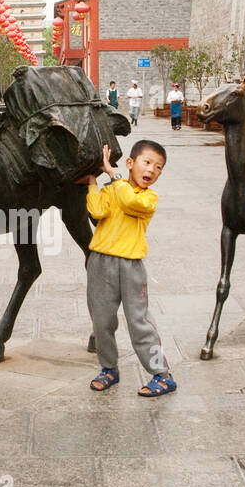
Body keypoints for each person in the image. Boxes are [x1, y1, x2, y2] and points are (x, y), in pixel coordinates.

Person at [81, 141, 175, 397]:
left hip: (131, 267)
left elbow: (128, 200)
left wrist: (113, 174)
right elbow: (97, 211)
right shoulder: (116, 188)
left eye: (159, 168)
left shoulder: (148, 198)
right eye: (147, 163)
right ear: (131, 163)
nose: (152, 170)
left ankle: (162, 375)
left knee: (139, 321)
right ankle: (109, 369)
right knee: (102, 321)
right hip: (100, 261)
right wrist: (92, 182)